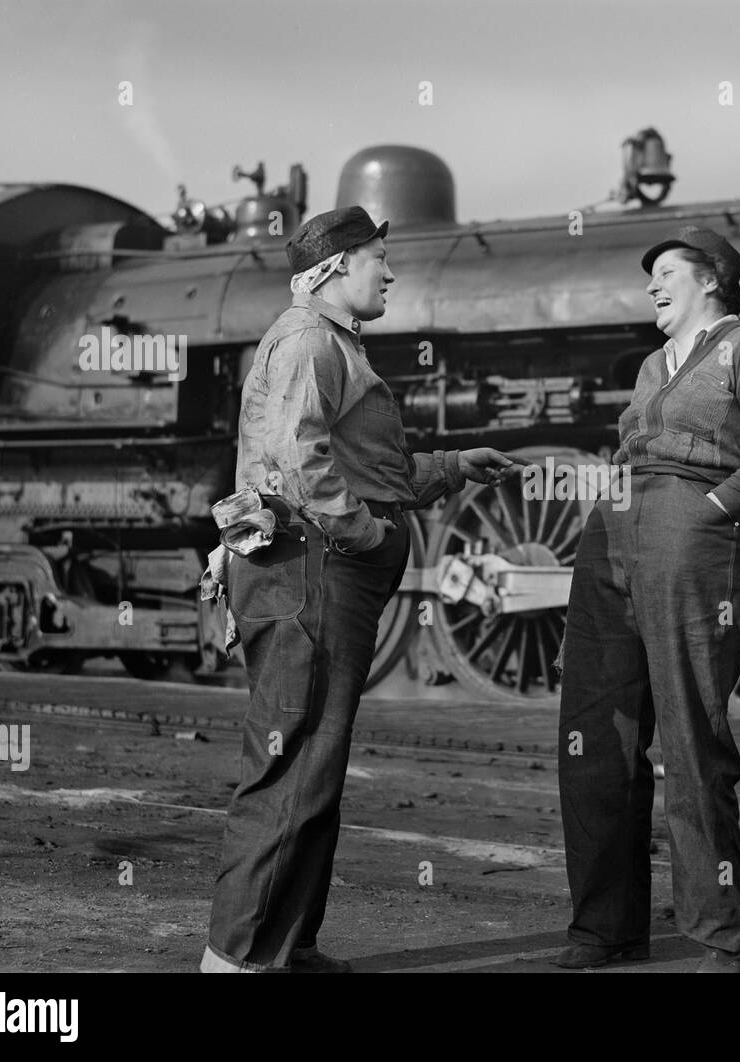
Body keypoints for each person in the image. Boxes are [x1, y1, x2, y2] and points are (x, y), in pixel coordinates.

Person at [202, 206, 520, 973]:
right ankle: (233, 960)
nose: (391, 270)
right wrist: (367, 535)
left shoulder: (332, 345)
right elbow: (298, 463)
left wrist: (451, 466)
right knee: (293, 761)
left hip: (317, 573)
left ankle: (288, 946)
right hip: (312, 574)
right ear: (338, 266)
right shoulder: (312, 341)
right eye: (380, 256)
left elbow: (367, 469)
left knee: (318, 762)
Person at [557, 226, 740, 973]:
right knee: (598, 736)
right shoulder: (649, 364)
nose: (653, 285)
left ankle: (718, 937)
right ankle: (605, 927)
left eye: (666, 272)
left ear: (712, 279)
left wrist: (712, 511)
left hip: (690, 536)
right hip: (616, 534)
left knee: (691, 740)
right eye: (651, 275)